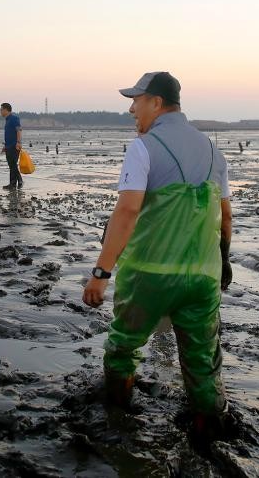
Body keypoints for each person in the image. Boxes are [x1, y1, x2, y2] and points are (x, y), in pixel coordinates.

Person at [81, 71, 233, 446]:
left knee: (123, 346)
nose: (132, 109)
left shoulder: (143, 147)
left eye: (136, 100)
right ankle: (206, 432)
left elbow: (128, 211)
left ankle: (117, 419)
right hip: (203, 277)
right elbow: (225, 215)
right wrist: (223, 260)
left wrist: (101, 273)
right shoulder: (213, 150)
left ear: (157, 102)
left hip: (148, 276)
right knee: (201, 357)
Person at [0, 102, 23, 190]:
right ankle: (19, 180)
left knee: (12, 165)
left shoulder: (14, 118)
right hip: (8, 146)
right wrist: (5, 146)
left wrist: (19, 142)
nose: (0, 111)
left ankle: (12, 184)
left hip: (14, 146)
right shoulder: (7, 120)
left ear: (6, 110)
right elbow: (8, 134)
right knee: (12, 165)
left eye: (1, 110)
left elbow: (19, 130)